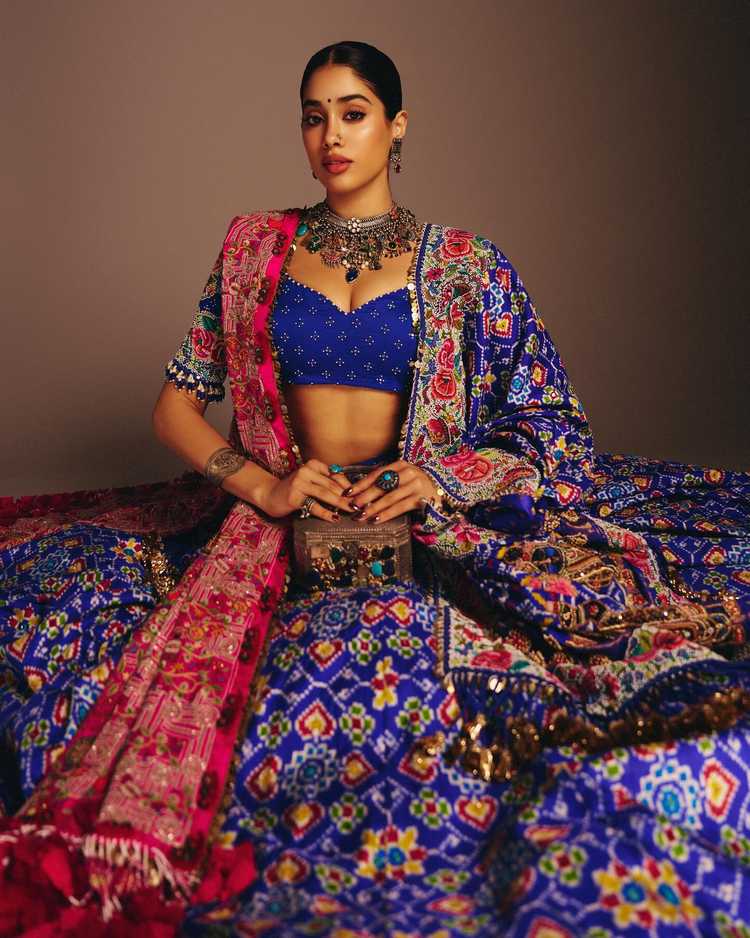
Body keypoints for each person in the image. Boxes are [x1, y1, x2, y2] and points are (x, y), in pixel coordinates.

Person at [1, 38, 750, 938]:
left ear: (396, 126)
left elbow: (552, 421)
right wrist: (265, 487)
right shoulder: (254, 250)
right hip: (283, 516)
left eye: (352, 114)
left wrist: (436, 477)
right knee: (54, 614)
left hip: (412, 518)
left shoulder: (466, 265)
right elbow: (175, 408)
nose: (331, 136)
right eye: (313, 117)